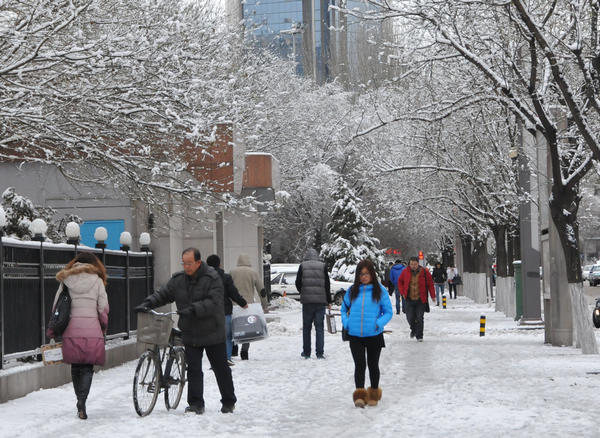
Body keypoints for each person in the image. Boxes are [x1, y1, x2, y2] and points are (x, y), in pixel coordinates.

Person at [135, 248, 236, 414]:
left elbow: (214, 301)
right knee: (194, 369)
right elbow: (164, 294)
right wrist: (147, 303)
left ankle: (228, 401)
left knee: (220, 368)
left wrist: (194, 309)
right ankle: (196, 404)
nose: (186, 266)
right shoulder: (179, 279)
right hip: (190, 331)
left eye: (189, 263)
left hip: (212, 331)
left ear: (198, 262)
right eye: (184, 263)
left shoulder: (212, 278)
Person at [46, 252, 109, 420]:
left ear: (75, 263)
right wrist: (103, 326)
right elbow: (103, 308)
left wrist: (53, 330)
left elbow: (56, 307)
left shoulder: (66, 281)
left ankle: (79, 399)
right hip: (92, 331)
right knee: (88, 367)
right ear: (93, 264)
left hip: (71, 331)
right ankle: (82, 400)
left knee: (75, 367)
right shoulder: (97, 281)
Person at [341, 259, 393, 408]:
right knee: (359, 365)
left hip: (374, 334)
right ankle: (359, 396)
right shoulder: (352, 290)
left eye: (367, 274)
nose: (364, 277)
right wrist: (347, 323)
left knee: (373, 365)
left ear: (372, 274)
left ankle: (374, 394)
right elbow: (344, 309)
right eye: (361, 274)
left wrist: (379, 323)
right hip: (355, 335)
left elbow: (388, 312)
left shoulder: (380, 290)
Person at [206, 254, 248, 366]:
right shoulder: (226, 277)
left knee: (213, 337)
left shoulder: (203, 278)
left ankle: (214, 360)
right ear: (219, 264)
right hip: (224, 310)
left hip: (208, 310)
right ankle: (226, 357)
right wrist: (243, 303)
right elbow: (233, 293)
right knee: (227, 336)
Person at [295, 248, 332, 359]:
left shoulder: (302, 266)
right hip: (320, 302)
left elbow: (297, 282)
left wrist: (303, 291)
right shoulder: (323, 266)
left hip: (307, 302)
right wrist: (329, 300)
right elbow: (327, 284)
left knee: (307, 328)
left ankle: (306, 352)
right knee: (319, 328)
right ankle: (319, 353)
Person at [230, 253, 265, 360]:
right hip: (247, 305)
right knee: (247, 327)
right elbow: (262, 290)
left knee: (235, 326)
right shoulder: (253, 272)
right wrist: (264, 304)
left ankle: (234, 347)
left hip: (234, 305)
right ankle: (244, 351)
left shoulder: (232, 272)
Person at [397, 256, 435, 342]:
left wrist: (433, 295)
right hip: (409, 299)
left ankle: (419, 335)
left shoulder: (425, 272)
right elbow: (400, 282)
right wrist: (402, 292)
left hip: (420, 299)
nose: (413, 266)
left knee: (419, 317)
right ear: (409, 264)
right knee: (410, 317)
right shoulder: (405, 272)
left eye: (415, 264)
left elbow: (430, 284)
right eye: (411, 264)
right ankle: (413, 329)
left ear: (418, 264)